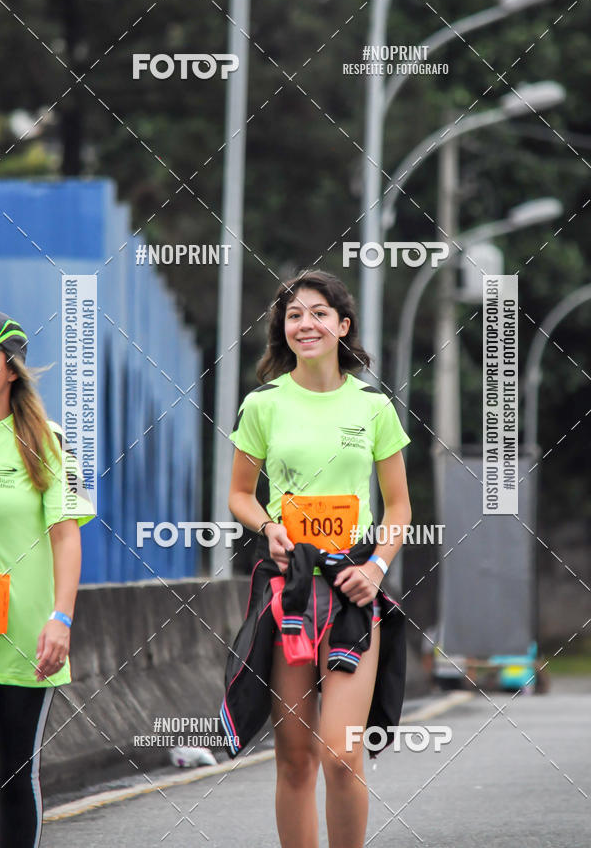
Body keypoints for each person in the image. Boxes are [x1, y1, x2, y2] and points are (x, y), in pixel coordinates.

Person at [227, 271, 411, 848]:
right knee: (296, 758)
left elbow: (401, 506)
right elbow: (238, 495)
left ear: (342, 325)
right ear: (284, 331)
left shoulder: (374, 406)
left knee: (341, 750)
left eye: (319, 313)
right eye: (293, 315)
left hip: (355, 585)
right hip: (289, 584)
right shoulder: (263, 404)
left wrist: (375, 568)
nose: (306, 324)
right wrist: (269, 527)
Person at [0, 311, 95, 848]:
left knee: (12, 777)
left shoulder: (48, 440)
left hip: (25, 638)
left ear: (10, 368)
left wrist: (61, 618)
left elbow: (66, 536)